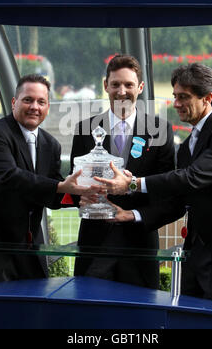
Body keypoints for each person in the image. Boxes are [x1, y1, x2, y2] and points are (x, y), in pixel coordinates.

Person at [95, 63, 212, 308]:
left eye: (184, 97)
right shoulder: (188, 145)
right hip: (195, 260)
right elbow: (177, 201)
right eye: (175, 97)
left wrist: (133, 184)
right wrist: (133, 215)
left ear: (208, 98)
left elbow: (192, 178)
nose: (177, 104)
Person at [0, 74, 102, 283]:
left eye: (41, 102)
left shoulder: (51, 144)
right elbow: (11, 177)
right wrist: (60, 186)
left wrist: (83, 196)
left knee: (33, 311)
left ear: (48, 107)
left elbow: (51, 195)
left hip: (31, 252)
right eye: (28, 100)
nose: (34, 107)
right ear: (14, 103)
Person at [70, 54, 175, 289]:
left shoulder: (160, 130)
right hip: (94, 242)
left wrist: (135, 214)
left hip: (139, 244)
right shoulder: (85, 129)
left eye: (129, 84)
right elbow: (74, 181)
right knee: (90, 313)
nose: (122, 91)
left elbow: (166, 189)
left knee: (141, 319)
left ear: (140, 87)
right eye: (115, 84)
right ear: (105, 85)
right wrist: (81, 196)